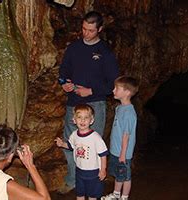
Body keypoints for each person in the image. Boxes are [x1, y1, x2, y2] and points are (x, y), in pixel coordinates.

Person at [58, 10, 119, 193]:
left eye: (91, 30)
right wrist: (64, 83)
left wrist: (92, 90)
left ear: (99, 29)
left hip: (95, 104)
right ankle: (73, 180)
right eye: (84, 29)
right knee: (71, 142)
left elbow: (114, 84)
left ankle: (93, 183)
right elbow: (63, 72)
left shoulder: (105, 53)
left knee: (91, 146)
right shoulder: (74, 48)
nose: (86, 33)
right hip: (73, 103)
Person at [55, 104, 108, 200]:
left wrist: (103, 169)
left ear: (91, 120)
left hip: (93, 172)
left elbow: (103, 154)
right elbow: (71, 146)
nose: (82, 120)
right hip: (79, 171)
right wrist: (62, 144)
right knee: (80, 193)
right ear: (74, 120)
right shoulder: (74, 135)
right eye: (79, 117)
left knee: (92, 195)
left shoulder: (95, 137)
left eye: (86, 117)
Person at [101, 76, 139, 200]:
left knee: (125, 176)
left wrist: (123, 154)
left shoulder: (129, 113)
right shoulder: (120, 108)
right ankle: (116, 194)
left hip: (123, 153)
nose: (113, 90)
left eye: (117, 88)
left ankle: (124, 197)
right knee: (119, 175)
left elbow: (126, 135)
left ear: (127, 92)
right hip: (116, 150)